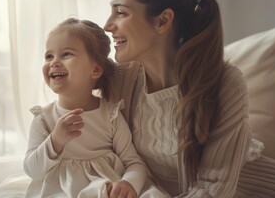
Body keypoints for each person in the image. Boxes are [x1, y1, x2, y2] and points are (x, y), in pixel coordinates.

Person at [103, 0, 275, 197]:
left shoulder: (224, 83)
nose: (107, 25)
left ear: (163, 20)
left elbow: (212, 188)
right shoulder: (120, 80)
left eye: (121, 12)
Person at [23, 18, 167, 198]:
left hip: (107, 191)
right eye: (49, 56)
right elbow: (32, 170)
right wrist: (55, 141)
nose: (54, 62)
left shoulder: (110, 115)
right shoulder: (43, 118)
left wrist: (128, 183)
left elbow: (134, 163)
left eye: (66, 54)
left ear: (95, 70)